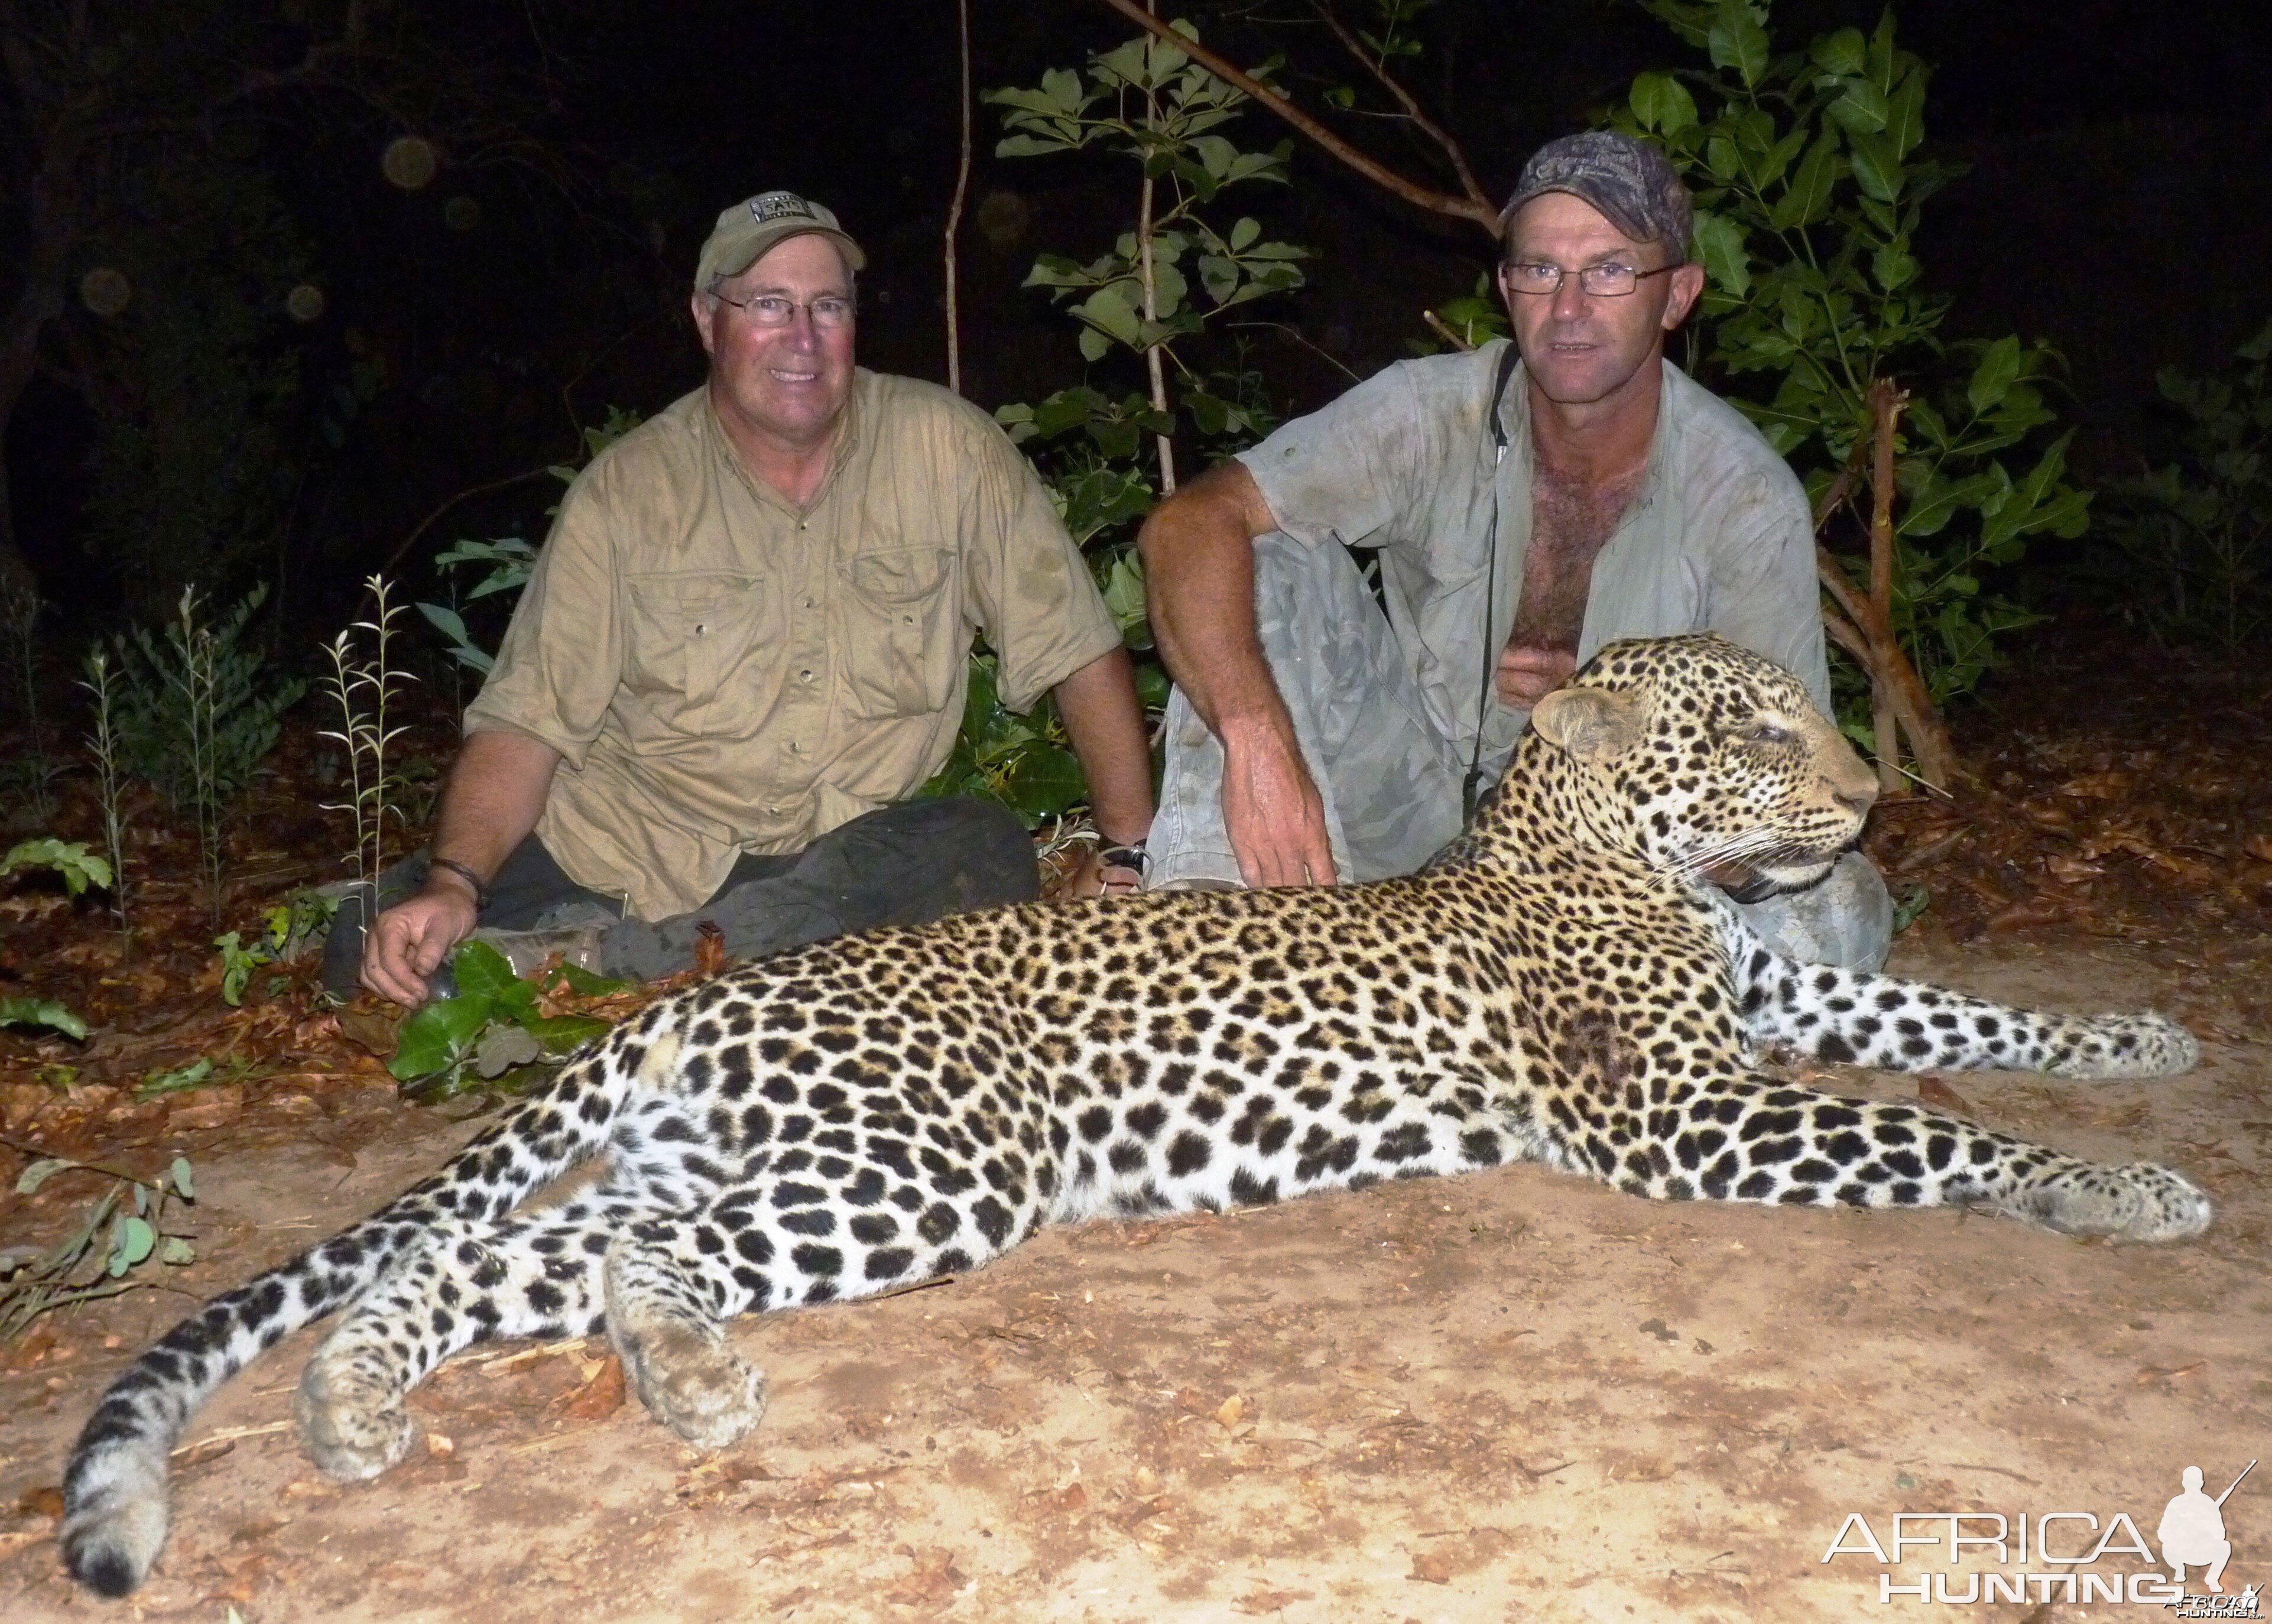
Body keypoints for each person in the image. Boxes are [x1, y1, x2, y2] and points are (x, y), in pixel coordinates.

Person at [348, 190, 1154, 1008]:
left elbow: (1075, 645)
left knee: (980, 847)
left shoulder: (948, 449)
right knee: (370, 949)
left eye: (827, 306)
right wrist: (454, 881)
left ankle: (622, 972)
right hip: (627, 852)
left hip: (833, 864)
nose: (802, 338)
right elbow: (527, 721)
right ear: (708, 319)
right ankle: (689, 971)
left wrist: (1126, 853)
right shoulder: (626, 493)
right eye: (769, 305)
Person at [1137, 131, 1890, 968]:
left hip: (1608, 874)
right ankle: (1204, 952)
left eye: (1609, 271)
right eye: (1540, 270)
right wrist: (1257, 740)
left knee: (1840, 914)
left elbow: (1786, 793)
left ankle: (1503, 1013)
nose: (1568, 307)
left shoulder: (1746, 496)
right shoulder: (1430, 413)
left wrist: (1619, 744)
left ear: (1677, 296)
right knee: (1267, 562)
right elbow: (1189, 524)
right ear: (1506, 287)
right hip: (1406, 815)